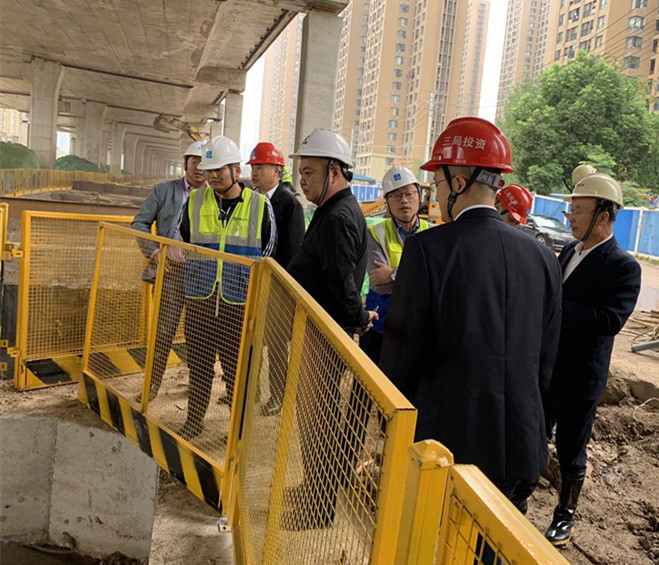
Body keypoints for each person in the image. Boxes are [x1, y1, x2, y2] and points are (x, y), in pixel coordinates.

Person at [379, 117, 562, 514]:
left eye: (438, 184)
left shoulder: (427, 249)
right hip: (521, 446)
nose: (436, 194)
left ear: (458, 183)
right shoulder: (544, 257)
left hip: (449, 447)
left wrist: (389, 420)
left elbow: (403, 351)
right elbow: (547, 362)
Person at [284, 128, 377, 530]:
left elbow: (342, 282)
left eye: (309, 172)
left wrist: (359, 317)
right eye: (301, 172)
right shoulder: (332, 210)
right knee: (315, 420)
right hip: (318, 330)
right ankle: (314, 488)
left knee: (318, 422)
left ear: (334, 171)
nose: (302, 180)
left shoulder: (338, 217)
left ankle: (319, 508)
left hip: (324, 335)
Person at [544, 173, 641, 546]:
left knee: (571, 448)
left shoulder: (623, 266)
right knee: (535, 432)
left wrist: (554, 308)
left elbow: (609, 320)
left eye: (578, 210)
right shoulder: (570, 250)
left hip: (580, 377)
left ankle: (564, 515)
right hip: (547, 366)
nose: (570, 217)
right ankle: (521, 489)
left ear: (603, 216)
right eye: (571, 209)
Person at [177, 135, 276, 439]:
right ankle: (194, 421)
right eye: (208, 170)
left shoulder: (260, 205)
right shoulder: (194, 201)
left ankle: (237, 433)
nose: (212, 176)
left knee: (237, 370)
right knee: (199, 366)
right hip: (200, 298)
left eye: (219, 169)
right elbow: (183, 239)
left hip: (239, 302)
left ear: (236, 170)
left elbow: (268, 251)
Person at [131, 140, 207, 402]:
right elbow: (139, 223)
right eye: (194, 162)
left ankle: (198, 389)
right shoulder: (163, 191)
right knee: (163, 330)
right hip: (171, 273)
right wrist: (155, 252)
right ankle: (152, 385)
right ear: (185, 163)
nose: (199, 168)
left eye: (204, 163)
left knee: (199, 335)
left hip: (202, 277)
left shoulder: (215, 198)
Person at [247, 142, 305, 416]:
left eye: (260, 167)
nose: (254, 172)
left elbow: (293, 252)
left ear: (277, 171)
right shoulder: (249, 200)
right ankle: (252, 391)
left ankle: (277, 396)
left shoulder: (290, 204)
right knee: (251, 339)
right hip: (251, 284)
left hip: (277, 288)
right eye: (253, 167)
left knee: (276, 344)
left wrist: (281, 288)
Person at [361, 166, 430, 363]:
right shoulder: (375, 233)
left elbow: (433, 282)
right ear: (388, 202)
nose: (404, 200)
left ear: (419, 196)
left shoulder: (432, 232)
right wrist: (418, 280)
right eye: (396, 196)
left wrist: (392, 274)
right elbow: (378, 284)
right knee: (369, 378)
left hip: (418, 327)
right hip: (380, 323)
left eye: (409, 194)